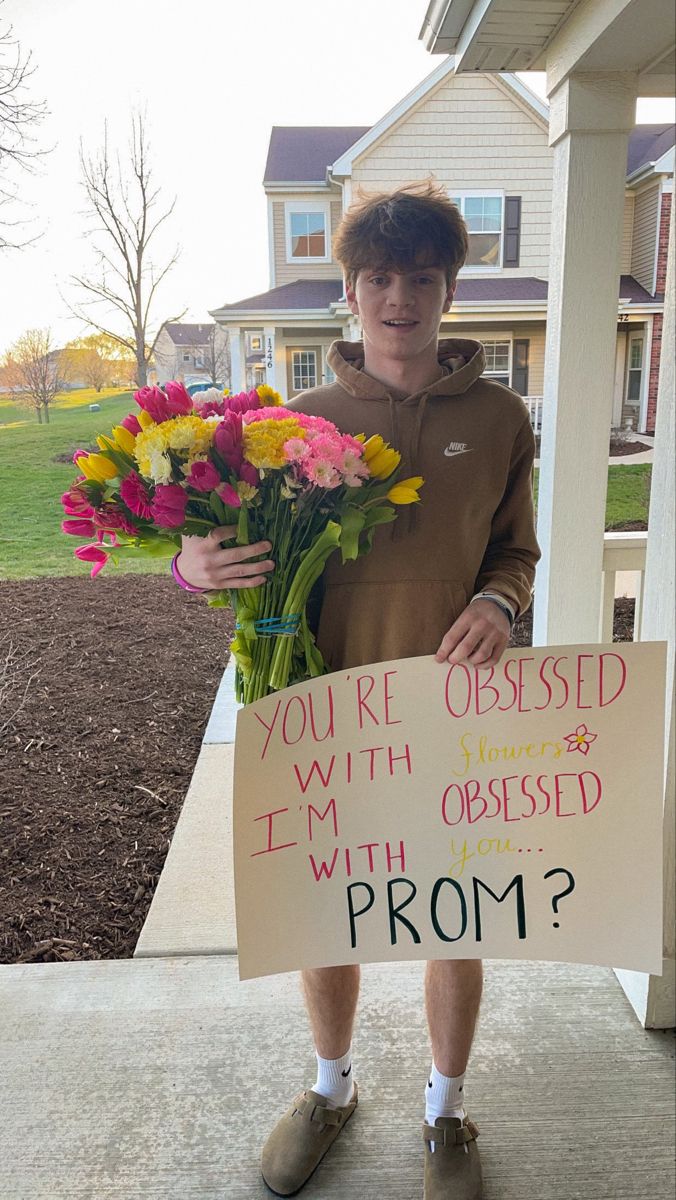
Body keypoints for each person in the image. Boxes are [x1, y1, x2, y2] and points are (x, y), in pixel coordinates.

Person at [175, 181, 540, 1200]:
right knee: (325, 912)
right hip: (329, 713)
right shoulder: (299, 425)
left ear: (448, 289)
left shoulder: (501, 418)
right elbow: (224, 551)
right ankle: (330, 1089)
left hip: (456, 713)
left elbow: (517, 551)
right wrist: (188, 567)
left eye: (420, 278)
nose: (399, 297)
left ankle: (445, 1111)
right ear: (348, 288)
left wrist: (502, 606)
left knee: (454, 914)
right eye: (377, 277)